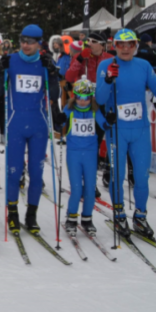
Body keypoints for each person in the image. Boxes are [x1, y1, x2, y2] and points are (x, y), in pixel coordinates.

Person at [96, 29, 156, 238]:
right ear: (115, 46)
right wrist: (109, 80)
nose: (126, 48)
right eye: (121, 44)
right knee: (118, 176)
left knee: (141, 177)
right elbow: (100, 99)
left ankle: (140, 216)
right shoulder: (106, 65)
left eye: (130, 44)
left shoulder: (143, 65)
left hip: (140, 129)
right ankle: (119, 214)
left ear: (136, 45)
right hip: (117, 131)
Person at [0, 25, 64, 235]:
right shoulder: (11, 60)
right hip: (15, 125)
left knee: (35, 173)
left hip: (38, 127)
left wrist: (51, 73)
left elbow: (54, 94)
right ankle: (12, 213)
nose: (25, 45)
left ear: (39, 43)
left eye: (30, 42)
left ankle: (31, 216)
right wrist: (0, 72)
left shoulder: (44, 62)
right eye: (22, 40)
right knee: (14, 172)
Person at [63, 79, 99, 236]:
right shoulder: (69, 110)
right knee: (77, 189)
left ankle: (87, 218)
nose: (82, 101)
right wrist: (59, 120)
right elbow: (60, 122)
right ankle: (71, 218)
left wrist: (110, 120)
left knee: (90, 189)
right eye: (79, 97)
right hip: (74, 154)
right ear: (74, 97)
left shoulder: (94, 111)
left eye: (86, 98)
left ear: (91, 97)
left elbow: (105, 124)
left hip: (90, 154)